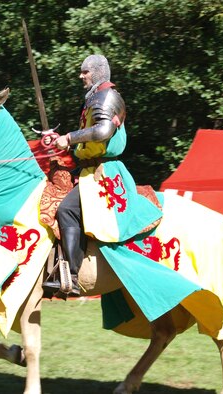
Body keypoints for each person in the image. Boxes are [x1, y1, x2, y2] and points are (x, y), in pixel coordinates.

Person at [43, 54, 162, 295]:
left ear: (98, 71)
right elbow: (87, 136)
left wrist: (70, 138)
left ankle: (71, 276)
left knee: (67, 210)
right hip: (88, 169)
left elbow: (104, 130)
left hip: (105, 172)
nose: (81, 76)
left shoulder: (108, 96)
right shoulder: (94, 99)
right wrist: (59, 140)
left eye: (85, 71)